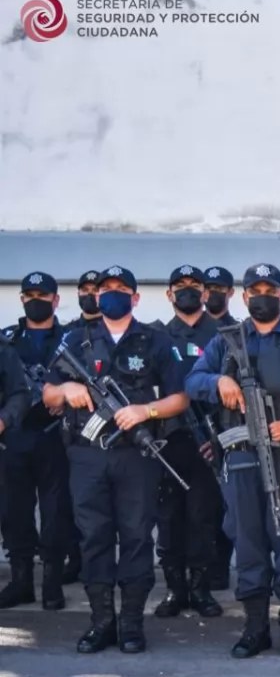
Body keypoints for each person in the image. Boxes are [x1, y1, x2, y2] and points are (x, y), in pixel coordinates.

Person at [184, 263, 280, 659]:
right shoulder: (225, 341)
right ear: (245, 296)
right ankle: (255, 627)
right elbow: (193, 382)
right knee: (248, 538)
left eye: (270, 290)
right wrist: (219, 381)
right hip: (242, 453)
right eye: (256, 291)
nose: (263, 296)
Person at [43, 266, 189, 654]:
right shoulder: (76, 339)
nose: (112, 294)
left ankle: (131, 623)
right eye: (106, 288)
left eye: (121, 288)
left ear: (135, 298)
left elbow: (180, 398)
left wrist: (146, 412)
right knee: (94, 536)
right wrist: (68, 389)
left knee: (137, 536)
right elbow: (47, 394)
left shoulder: (155, 341)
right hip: (87, 456)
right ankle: (101, 622)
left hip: (137, 457)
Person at [149, 265, 223, 620]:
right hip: (167, 440)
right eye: (180, 285)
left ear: (206, 293)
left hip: (208, 439)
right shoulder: (156, 336)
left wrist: (220, 437)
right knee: (168, 518)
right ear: (169, 294)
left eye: (195, 285)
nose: (188, 290)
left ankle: (200, 589)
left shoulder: (223, 335)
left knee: (203, 517)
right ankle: (175, 590)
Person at [0, 274, 70, 611]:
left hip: (56, 436)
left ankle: (52, 584)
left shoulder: (72, 339)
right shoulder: (7, 340)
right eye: (29, 295)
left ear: (56, 300)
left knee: (57, 514)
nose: (35, 300)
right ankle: (21, 582)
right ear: (22, 300)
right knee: (15, 512)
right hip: (14, 437)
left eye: (42, 295)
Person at [202, 265, 238, 589]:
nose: (213, 293)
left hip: (225, 433)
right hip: (183, 433)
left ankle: (219, 569)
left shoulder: (235, 334)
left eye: (219, 288)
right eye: (208, 287)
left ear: (231, 293)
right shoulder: (173, 332)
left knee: (226, 506)